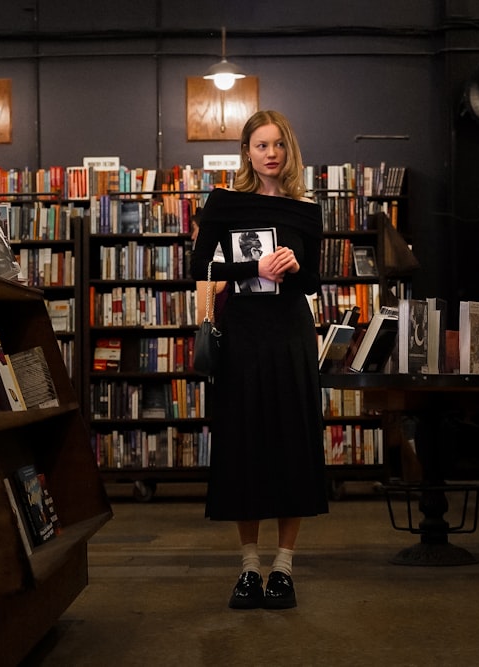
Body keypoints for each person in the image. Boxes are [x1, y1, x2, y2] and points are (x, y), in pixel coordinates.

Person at [190, 109, 326, 610]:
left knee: (292, 442)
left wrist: (292, 268)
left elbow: (314, 282)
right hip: (242, 336)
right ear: (246, 151)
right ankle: (249, 568)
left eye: (279, 145)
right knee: (244, 445)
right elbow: (199, 267)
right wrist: (255, 265)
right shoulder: (225, 204)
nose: (271, 153)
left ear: (289, 151)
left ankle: (283, 568)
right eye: (261, 145)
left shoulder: (305, 210)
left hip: (289, 333)